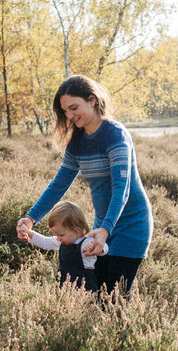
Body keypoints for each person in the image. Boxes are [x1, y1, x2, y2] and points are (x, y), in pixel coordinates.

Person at [17, 75, 152, 298]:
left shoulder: (116, 136)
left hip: (130, 227)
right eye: (65, 112)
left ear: (92, 100)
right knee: (94, 295)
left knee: (114, 301)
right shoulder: (77, 143)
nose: (69, 115)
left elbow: (122, 189)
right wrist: (31, 218)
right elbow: (58, 185)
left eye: (73, 107)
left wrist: (106, 229)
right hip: (100, 227)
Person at [20, 200, 108, 292]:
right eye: (57, 235)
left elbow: (105, 248)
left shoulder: (87, 242)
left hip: (84, 286)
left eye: (61, 235)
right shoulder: (62, 241)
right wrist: (28, 233)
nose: (58, 238)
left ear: (76, 230)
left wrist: (94, 246)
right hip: (64, 283)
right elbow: (45, 242)